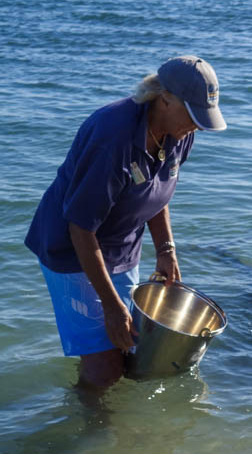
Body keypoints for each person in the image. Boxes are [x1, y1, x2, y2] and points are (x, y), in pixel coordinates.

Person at [25, 55, 227, 390]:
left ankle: (108, 413)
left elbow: (157, 192)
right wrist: (110, 304)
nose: (198, 125)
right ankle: (92, 430)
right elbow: (80, 227)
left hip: (122, 247)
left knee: (131, 347)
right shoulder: (112, 137)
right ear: (164, 98)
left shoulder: (180, 131)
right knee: (105, 366)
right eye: (193, 115)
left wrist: (166, 249)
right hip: (73, 251)